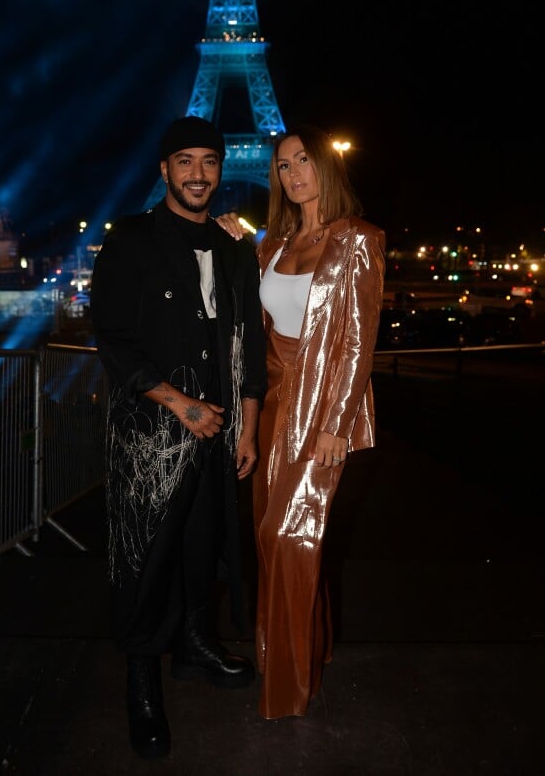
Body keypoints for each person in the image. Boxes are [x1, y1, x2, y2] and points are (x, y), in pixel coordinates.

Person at [90, 116, 267, 758]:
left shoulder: (232, 248)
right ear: (164, 170)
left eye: (209, 163)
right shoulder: (132, 239)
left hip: (218, 433)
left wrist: (244, 423)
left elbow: (248, 337)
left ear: (221, 171)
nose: (199, 174)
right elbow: (110, 333)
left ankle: (193, 647)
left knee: (202, 547)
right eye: (185, 161)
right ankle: (141, 684)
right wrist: (180, 405)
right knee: (145, 557)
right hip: (151, 437)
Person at [216, 123, 386, 720]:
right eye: (283, 166)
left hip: (323, 409)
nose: (292, 174)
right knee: (270, 535)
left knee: (291, 535)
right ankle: (299, 647)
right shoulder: (273, 246)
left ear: (328, 169)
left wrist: (337, 423)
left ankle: (290, 683)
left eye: (303, 161)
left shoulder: (360, 240)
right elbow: (259, 330)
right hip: (274, 408)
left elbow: (358, 344)